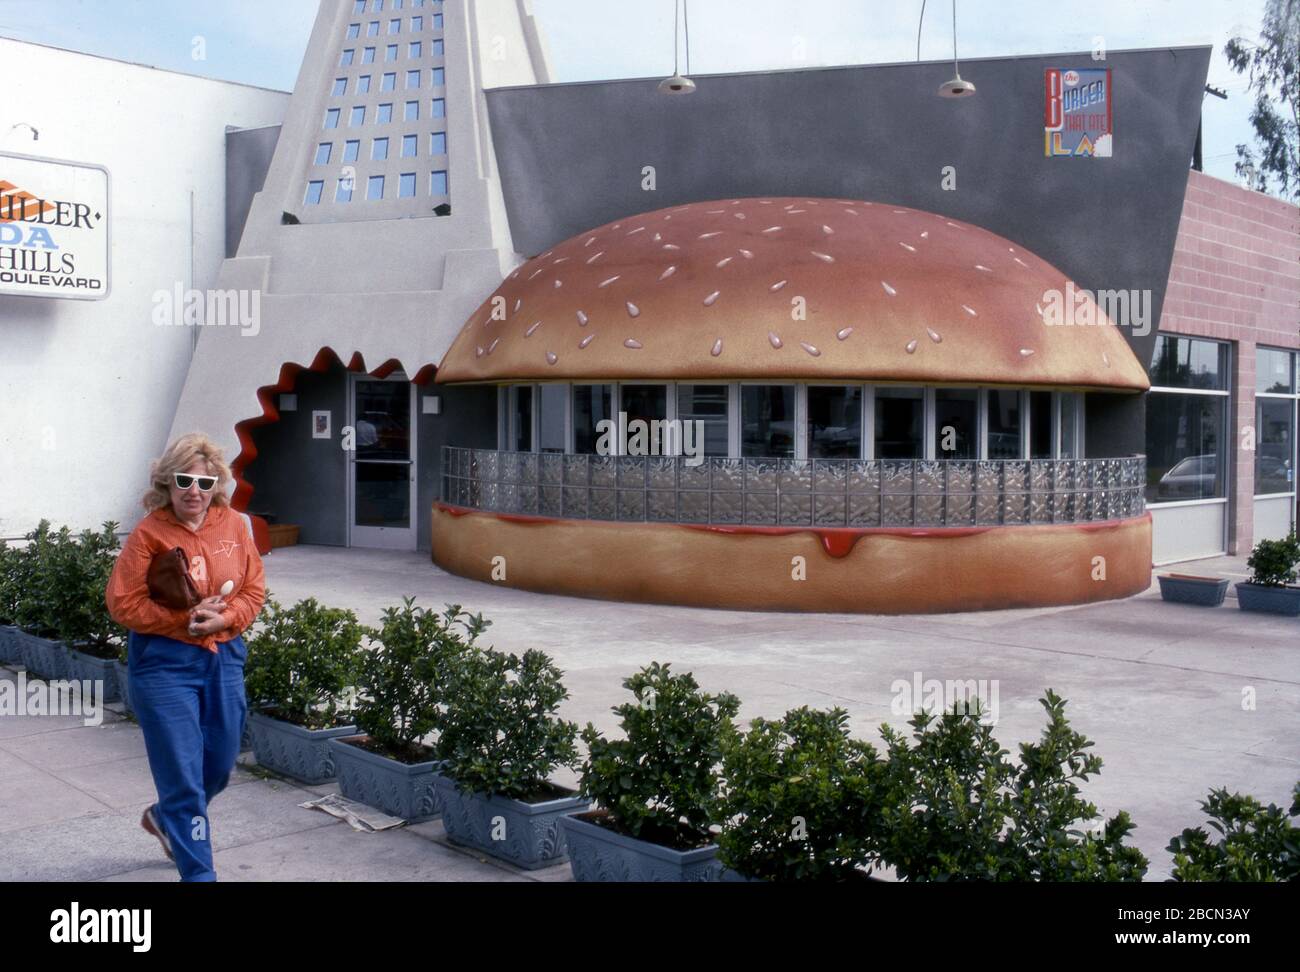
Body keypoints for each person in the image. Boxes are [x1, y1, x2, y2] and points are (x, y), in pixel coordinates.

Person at [105, 432, 266, 882]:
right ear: (166, 484)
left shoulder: (235, 525)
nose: (194, 491)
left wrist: (227, 618)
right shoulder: (148, 533)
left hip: (224, 656)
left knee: (218, 765)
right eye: (183, 480)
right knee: (183, 778)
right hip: (164, 664)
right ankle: (199, 874)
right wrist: (185, 621)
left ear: (217, 484)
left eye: (204, 481)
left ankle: (163, 817)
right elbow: (123, 603)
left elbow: (254, 589)